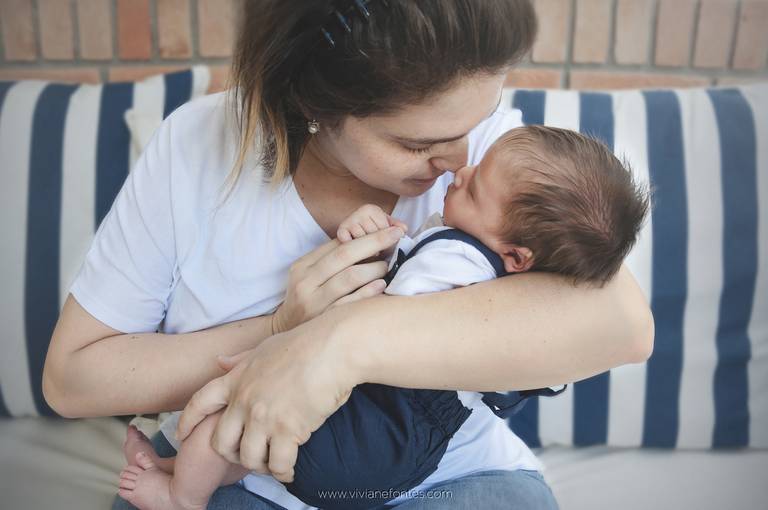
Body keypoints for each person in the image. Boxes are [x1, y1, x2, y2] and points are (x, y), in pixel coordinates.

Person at [42, 1, 654, 509]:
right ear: (315, 105)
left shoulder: (496, 158)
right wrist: (279, 330)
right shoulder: (195, 150)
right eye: (416, 144)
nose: (458, 161)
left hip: (450, 474)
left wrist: (340, 343)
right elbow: (72, 380)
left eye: (478, 122)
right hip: (246, 468)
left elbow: (625, 325)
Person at [114, 124, 649, 510]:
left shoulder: (459, 258)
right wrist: (382, 241)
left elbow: (388, 308)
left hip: (372, 432)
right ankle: (180, 473)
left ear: (517, 256)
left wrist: (297, 333)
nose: (460, 168)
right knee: (249, 437)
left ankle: (182, 496)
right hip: (399, 452)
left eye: (476, 185)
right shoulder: (496, 265)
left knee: (229, 419)